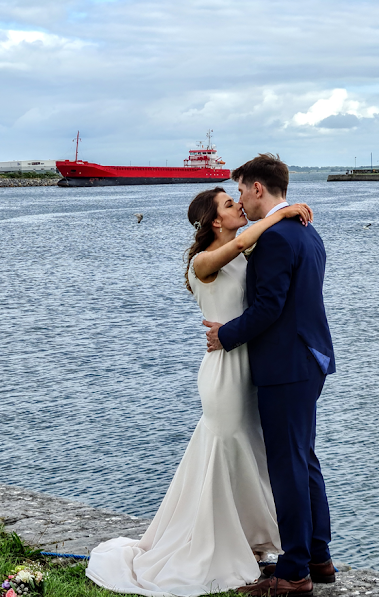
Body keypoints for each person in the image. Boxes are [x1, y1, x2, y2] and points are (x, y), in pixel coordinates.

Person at [85, 187, 313, 597]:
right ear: (213, 221)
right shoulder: (202, 263)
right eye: (229, 205)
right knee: (227, 450)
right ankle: (214, 546)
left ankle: (249, 541)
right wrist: (280, 213)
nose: (238, 206)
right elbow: (244, 240)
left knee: (252, 455)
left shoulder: (248, 254)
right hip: (224, 371)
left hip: (252, 366)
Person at [204, 154, 336, 597]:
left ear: (258, 188)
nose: (240, 198)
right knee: (304, 460)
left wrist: (226, 335)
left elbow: (268, 307)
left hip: (286, 365)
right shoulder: (305, 230)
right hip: (308, 360)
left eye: (241, 190)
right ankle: (318, 557)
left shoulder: (279, 237)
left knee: (287, 466)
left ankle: (294, 572)